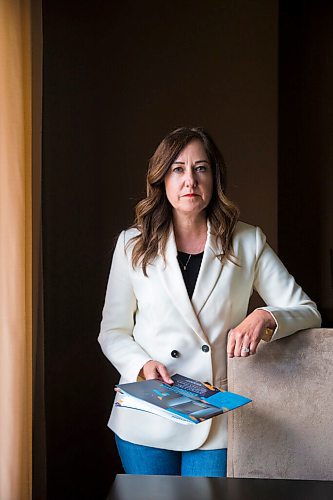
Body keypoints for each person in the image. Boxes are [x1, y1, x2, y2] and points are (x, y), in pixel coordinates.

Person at [98, 127, 321, 477]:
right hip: (145, 414)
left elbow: (308, 311)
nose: (190, 180)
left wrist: (265, 315)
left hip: (213, 421)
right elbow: (112, 331)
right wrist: (141, 364)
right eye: (178, 169)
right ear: (162, 179)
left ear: (214, 177)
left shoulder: (247, 240)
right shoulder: (131, 244)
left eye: (201, 168)